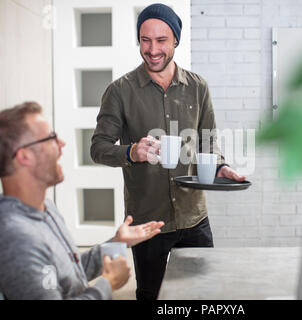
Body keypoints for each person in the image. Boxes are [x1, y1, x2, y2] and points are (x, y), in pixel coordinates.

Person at [90, 3, 246, 300]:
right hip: (147, 222)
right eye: (145, 40)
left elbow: (208, 141)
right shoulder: (120, 91)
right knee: (152, 294)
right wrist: (132, 152)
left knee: (202, 293)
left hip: (194, 218)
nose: (152, 49)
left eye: (161, 40)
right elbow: (98, 148)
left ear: (175, 40)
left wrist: (218, 167)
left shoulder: (198, 87)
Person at [0, 102, 164, 300]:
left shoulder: (45, 208)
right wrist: (107, 285)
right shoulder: (15, 238)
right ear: (24, 156)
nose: (62, 143)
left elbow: (68, 273)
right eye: (50, 138)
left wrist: (116, 243)